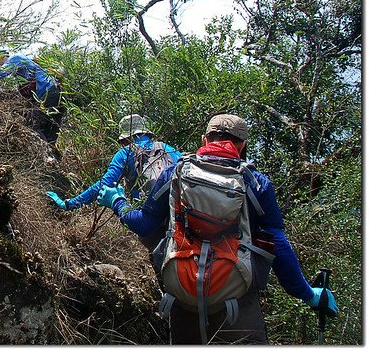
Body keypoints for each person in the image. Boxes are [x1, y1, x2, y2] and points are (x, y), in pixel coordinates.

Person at [95, 113, 338, 344]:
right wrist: (308, 294)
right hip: (236, 301)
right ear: (242, 146)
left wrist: (117, 202)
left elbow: (144, 224)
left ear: (204, 140)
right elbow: (278, 246)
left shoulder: (176, 173)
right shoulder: (256, 182)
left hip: (183, 298)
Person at [46, 113, 181, 248]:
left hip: (148, 223)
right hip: (180, 219)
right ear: (146, 132)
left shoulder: (125, 153)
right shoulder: (169, 150)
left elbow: (105, 184)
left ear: (126, 138)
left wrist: (71, 204)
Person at [0, 47, 65, 146]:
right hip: (57, 95)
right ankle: (52, 159)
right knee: (49, 135)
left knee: (31, 125)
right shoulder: (22, 66)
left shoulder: (15, 58)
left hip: (48, 93)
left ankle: (46, 154)